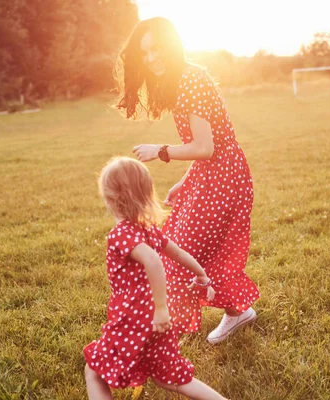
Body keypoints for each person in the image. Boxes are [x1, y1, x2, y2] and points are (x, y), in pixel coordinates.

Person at [114, 17, 259, 344]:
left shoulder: (190, 79)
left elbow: (206, 147)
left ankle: (167, 333)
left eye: (156, 49)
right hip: (214, 174)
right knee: (179, 248)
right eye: (145, 53)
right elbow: (209, 147)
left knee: (180, 253)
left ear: (172, 44)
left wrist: (160, 150)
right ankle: (237, 312)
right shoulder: (182, 79)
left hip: (225, 177)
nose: (151, 59)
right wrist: (188, 180)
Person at [83, 157, 226, 400]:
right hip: (157, 317)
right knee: (167, 376)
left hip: (134, 317)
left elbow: (153, 261)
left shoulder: (122, 234)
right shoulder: (148, 230)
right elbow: (178, 253)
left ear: (111, 199)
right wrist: (201, 274)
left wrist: (160, 308)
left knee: (94, 369)